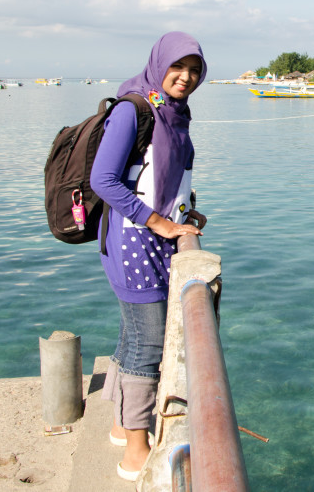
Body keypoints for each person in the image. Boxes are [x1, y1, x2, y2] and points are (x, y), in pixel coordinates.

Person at [89, 31, 208, 481]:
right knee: (148, 345)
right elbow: (104, 179)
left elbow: (163, 172)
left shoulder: (176, 114)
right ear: (159, 64)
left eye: (195, 70)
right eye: (178, 67)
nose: (186, 77)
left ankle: (123, 425)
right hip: (132, 242)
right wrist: (157, 221)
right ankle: (135, 452)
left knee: (133, 335)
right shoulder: (134, 109)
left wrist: (183, 209)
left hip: (155, 241)